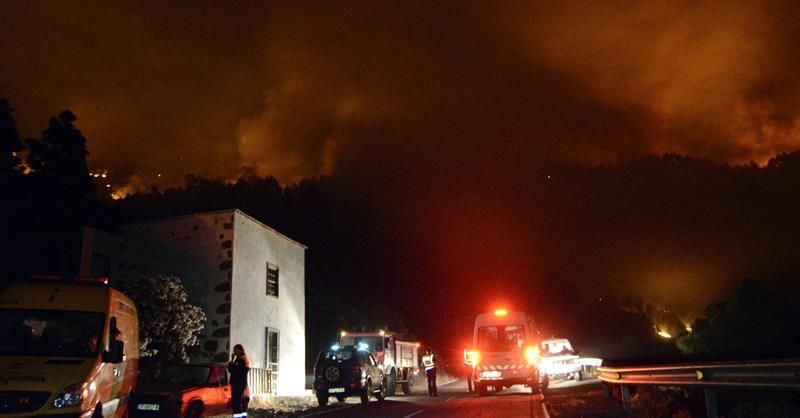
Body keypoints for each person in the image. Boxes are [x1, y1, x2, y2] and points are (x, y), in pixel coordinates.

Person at [228, 344, 250, 418]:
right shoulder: (242, 358)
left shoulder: (241, 359)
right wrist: (233, 360)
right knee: (241, 402)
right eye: (234, 350)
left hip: (238, 383)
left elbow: (233, 370)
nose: (234, 352)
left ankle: (238, 417)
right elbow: (232, 369)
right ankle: (243, 416)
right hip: (240, 383)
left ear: (240, 350)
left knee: (236, 402)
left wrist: (232, 361)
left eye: (235, 350)